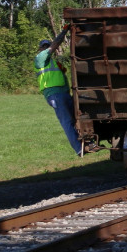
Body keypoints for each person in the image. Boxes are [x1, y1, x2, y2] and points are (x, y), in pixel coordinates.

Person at [35, 27, 94, 156]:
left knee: (79, 117)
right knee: (67, 122)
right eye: (44, 46)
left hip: (63, 94)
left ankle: (89, 143)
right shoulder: (40, 58)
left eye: (47, 46)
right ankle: (79, 149)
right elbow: (56, 44)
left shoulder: (52, 62)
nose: (46, 48)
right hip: (55, 95)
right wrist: (64, 32)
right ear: (40, 49)